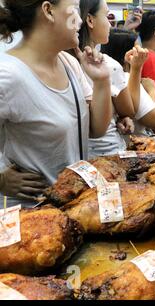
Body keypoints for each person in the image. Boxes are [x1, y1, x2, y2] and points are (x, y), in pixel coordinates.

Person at [0, 0, 112, 207]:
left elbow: (96, 129)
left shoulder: (68, 63)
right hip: (31, 215)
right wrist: (1, 178)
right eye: (75, 8)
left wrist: (102, 81)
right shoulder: (7, 75)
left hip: (71, 204)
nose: (81, 20)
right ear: (48, 11)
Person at [77, 0, 148, 158]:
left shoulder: (67, 61)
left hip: (78, 155)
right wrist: (136, 68)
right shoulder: (106, 65)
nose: (110, 25)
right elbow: (130, 109)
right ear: (90, 20)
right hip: (108, 153)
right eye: (106, 16)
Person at [101, 28, 155, 134]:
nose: (143, 52)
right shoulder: (126, 78)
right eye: (138, 49)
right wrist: (151, 89)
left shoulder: (102, 74)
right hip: (135, 144)